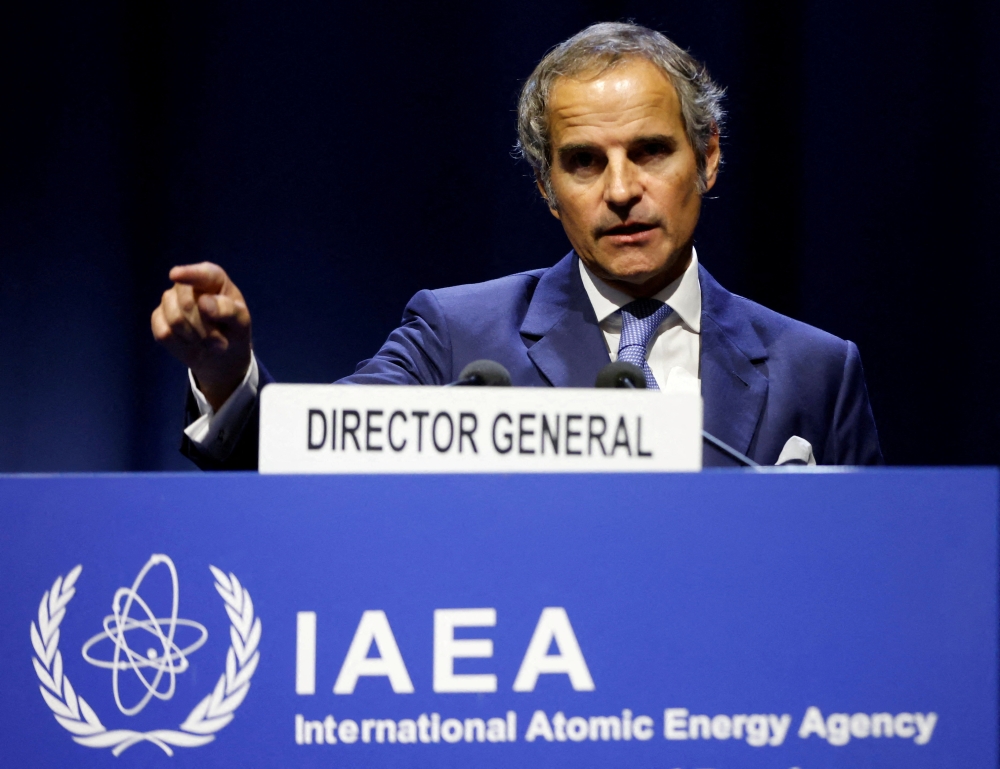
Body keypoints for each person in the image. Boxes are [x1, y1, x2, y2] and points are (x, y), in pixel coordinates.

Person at [151, 22, 882, 469]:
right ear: (544, 185)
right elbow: (308, 458)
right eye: (585, 162)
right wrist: (225, 373)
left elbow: (868, 577)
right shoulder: (456, 336)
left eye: (651, 152)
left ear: (709, 156)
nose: (622, 189)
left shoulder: (816, 371)